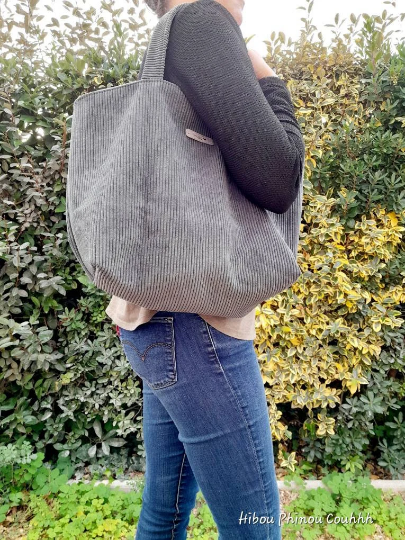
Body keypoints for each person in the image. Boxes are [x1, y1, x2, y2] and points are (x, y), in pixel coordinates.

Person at [112, 0, 306, 538]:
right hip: (198, 330)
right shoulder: (201, 22)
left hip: (158, 322)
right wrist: (267, 77)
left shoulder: (172, 37)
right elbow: (279, 177)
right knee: (254, 528)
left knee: (165, 512)